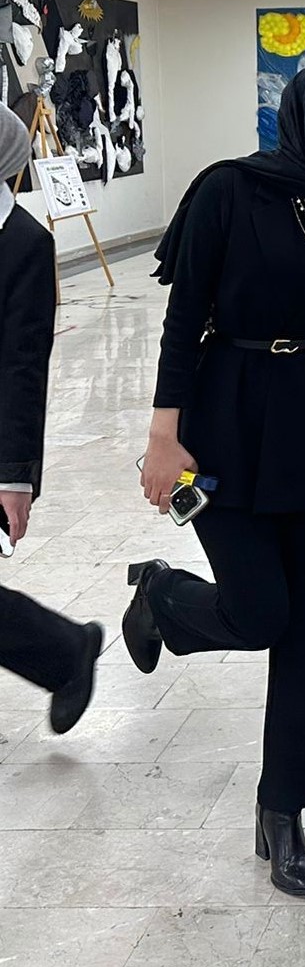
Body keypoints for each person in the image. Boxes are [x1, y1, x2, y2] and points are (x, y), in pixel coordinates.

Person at [123, 59, 305, 897]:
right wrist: (163, 436)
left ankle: (283, 809)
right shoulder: (230, 189)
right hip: (225, 412)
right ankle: (163, 594)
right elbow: (183, 319)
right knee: (259, 610)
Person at [0, 103, 103, 733]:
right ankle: (67, 651)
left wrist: (14, 475)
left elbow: (21, 365)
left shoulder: (24, 243)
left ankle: (66, 652)